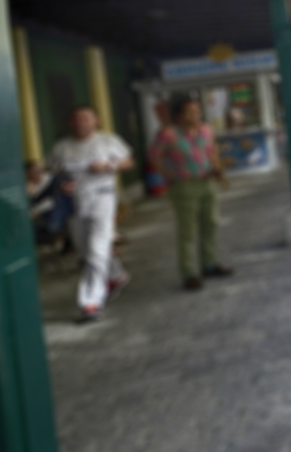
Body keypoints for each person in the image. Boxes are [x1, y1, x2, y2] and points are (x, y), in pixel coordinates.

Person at [47, 105, 134, 323]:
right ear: (71, 123)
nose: (81, 122)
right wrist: (61, 185)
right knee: (85, 249)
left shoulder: (107, 140)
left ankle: (90, 302)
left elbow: (128, 161)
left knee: (96, 249)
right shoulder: (61, 147)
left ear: (96, 120)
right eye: (76, 119)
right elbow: (52, 173)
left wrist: (108, 165)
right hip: (74, 202)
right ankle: (115, 275)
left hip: (102, 197)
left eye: (86, 118)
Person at [149, 96, 232, 291]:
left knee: (210, 223)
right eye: (190, 112)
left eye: (197, 111)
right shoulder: (168, 135)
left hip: (207, 181)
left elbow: (212, 152)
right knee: (188, 230)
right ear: (179, 115)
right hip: (184, 185)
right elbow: (154, 157)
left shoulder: (206, 130)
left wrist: (217, 168)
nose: (195, 115)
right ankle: (188, 273)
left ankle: (209, 264)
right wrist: (168, 175)